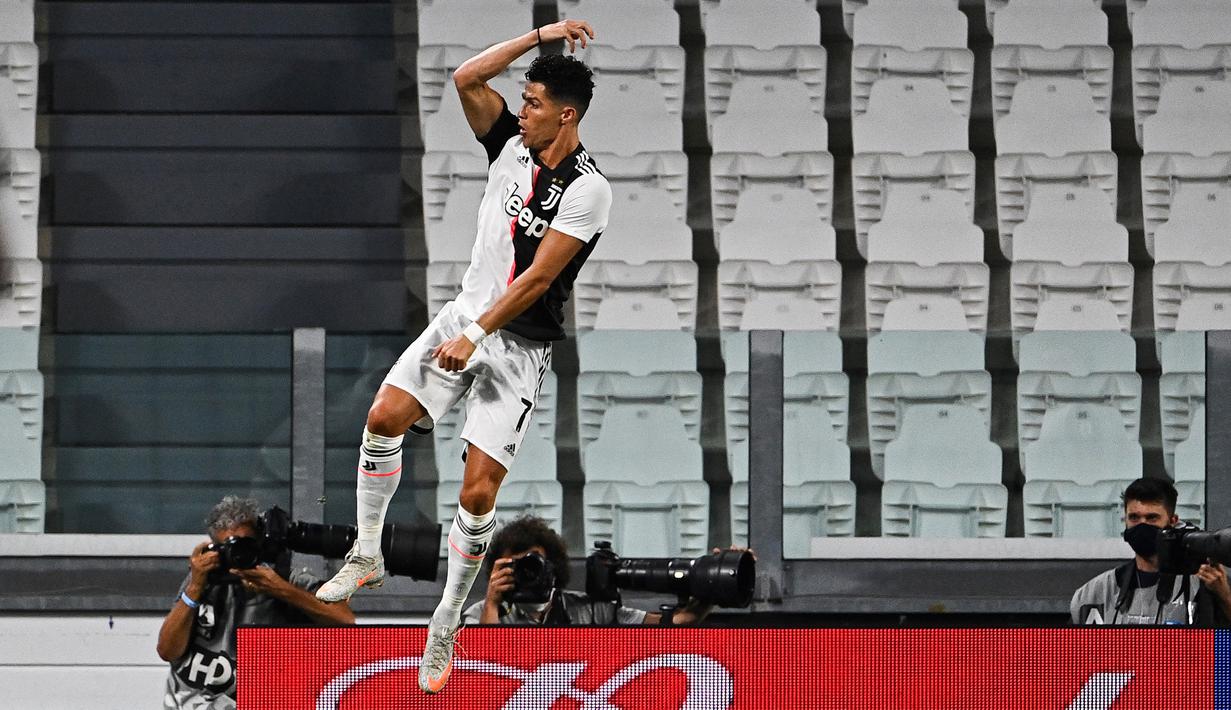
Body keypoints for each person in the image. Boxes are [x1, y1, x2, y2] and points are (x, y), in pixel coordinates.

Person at [313, 17, 611, 695]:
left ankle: (446, 615)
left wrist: (474, 336)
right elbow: (465, 77)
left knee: (477, 494)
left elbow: (536, 281)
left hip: (516, 347)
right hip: (461, 317)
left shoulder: (590, 189)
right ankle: (366, 551)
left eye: (533, 104)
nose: (522, 111)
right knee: (383, 417)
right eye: (524, 102)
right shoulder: (508, 144)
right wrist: (540, 36)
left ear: (565, 117)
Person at [157, 496, 355, 709]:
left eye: (245, 547)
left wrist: (279, 589)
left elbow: (345, 620)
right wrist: (194, 588)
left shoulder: (288, 579)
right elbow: (167, 651)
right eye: (229, 549)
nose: (238, 557)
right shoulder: (202, 581)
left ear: (261, 544)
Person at [465, 515, 718, 626]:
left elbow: (682, 621)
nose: (526, 574)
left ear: (553, 568)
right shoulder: (477, 615)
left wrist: (716, 578)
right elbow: (486, 668)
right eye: (515, 567)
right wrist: (491, 605)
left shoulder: (592, 609)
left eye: (533, 565)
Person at [1070, 478, 1231, 626]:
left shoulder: (1204, 584)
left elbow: (1221, 652)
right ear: (1124, 520)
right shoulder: (1095, 592)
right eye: (1134, 517)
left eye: (1152, 518)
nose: (1142, 525)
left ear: (1172, 521)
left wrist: (1226, 597)